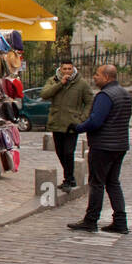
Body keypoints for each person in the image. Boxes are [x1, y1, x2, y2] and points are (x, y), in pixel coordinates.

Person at [67, 64, 132, 234]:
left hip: (103, 145)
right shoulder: (124, 94)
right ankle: (120, 220)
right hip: (120, 144)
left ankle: (91, 220)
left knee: (97, 183)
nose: (94, 78)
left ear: (106, 76)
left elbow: (96, 121)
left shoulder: (105, 95)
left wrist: (78, 128)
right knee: (113, 182)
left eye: (97, 75)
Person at [41, 58, 93, 190]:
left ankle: (68, 180)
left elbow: (89, 102)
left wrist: (82, 118)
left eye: (69, 69)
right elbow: (44, 94)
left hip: (71, 125)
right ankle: (70, 178)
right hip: (56, 123)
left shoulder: (81, 84)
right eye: (65, 69)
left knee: (69, 152)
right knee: (60, 152)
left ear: (73, 69)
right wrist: (60, 84)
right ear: (60, 69)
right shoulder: (53, 80)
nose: (67, 71)